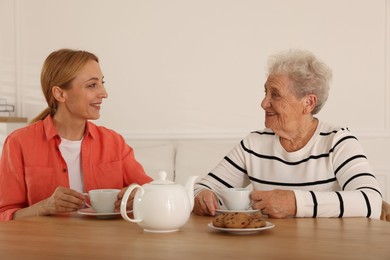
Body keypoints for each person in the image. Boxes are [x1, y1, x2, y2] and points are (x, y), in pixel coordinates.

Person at [193, 49, 383, 219]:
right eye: (265, 92)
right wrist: (202, 196)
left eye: (275, 94)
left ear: (308, 103)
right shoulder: (254, 144)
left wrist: (295, 203)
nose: (263, 103)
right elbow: (202, 187)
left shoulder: (338, 142)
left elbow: (371, 201)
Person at [0, 49, 153, 221]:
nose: (104, 93)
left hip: (106, 244)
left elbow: (150, 190)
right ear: (60, 93)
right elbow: (4, 215)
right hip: (45, 246)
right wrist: (45, 206)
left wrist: (139, 196)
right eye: (92, 85)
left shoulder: (114, 142)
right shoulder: (19, 143)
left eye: (102, 83)